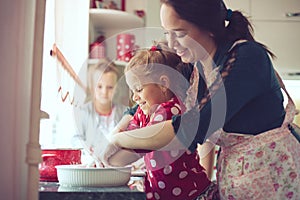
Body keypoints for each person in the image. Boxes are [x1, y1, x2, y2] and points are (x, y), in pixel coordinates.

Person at [101, 0, 300, 199]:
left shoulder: (247, 58)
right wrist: (121, 126)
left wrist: (119, 138)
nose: (171, 43)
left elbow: (191, 128)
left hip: (275, 174)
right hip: (238, 177)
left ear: (209, 28)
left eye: (179, 33)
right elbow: (149, 87)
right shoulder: (194, 65)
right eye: (166, 33)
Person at [107, 44, 219, 200]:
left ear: (164, 83)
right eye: (132, 91)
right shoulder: (144, 112)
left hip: (192, 195)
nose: (134, 97)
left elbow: (137, 146)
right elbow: (129, 137)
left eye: (138, 89)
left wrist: (110, 152)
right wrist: (106, 153)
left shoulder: (170, 110)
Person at [73, 58, 127, 165]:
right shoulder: (82, 111)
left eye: (110, 87)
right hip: (92, 166)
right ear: (92, 87)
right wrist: (87, 150)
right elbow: (76, 140)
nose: (104, 92)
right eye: (99, 86)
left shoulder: (125, 113)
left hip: (118, 166)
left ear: (116, 88)